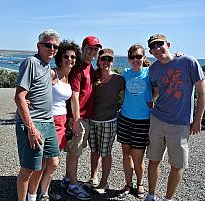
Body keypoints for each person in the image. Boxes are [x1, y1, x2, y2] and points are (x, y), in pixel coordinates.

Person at [144, 34, 205, 201]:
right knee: (153, 160)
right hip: (157, 119)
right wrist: (151, 101)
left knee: (177, 164)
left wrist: (198, 119)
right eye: (153, 47)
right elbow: (156, 91)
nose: (157, 49)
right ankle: (150, 195)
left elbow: (201, 92)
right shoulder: (153, 69)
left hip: (180, 123)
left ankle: (168, 198)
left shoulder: (188, 62)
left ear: (168, 44)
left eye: (159, 44)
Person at [14, 29, 61, 201]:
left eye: (55, 46)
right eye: (48, 45)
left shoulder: (47, 66)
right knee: (28, 168)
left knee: (52, 162)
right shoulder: (31, 62)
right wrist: (31, 128)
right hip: (34, 123)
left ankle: (33, 196)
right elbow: (19, 96)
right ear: (39, 46)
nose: (52, 49)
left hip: (48, 123)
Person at [39, 40, 82, 201]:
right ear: (60, 57)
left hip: (62, 121)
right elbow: (35, 90)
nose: (69, 59)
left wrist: (74, 121)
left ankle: (42, 192)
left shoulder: (69, 77)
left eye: (73, 57)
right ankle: (39, 192)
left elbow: (72, 100)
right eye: (66, 56)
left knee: (50, 161)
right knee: (51, 161)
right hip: (50, 119)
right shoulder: (53, 74)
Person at [61, 36, 102, 201]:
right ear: (83, 48)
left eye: (95, 49)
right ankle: (73, 184)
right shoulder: (78, 69)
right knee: (74, 152)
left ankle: (66, 179)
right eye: (89, 48)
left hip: (85, 117)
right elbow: (74, 97)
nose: (92, 52)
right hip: (78, 118)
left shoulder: (89, 67)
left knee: (74, 151)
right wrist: (76, 121)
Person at [117, 44, 155, 199]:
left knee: (137, 156)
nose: (135, 60)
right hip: (125, 118)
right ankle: (128, 183)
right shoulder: (125, 73)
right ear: (128, 59)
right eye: (132, 57)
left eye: (138, 56)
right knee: (126, 154)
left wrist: (179, 56)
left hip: (142, 120)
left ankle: (140, 184)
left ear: (144, 57)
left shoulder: (150, 72)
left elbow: (167, 66)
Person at [88, 48, 125, 194]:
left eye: (109, 59)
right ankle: (93, 177)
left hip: (109, 121)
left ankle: (104, 182)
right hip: (92, 120)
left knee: (106, 153)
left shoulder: (118, 79)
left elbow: (128, 95)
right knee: (94, 150)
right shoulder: (93, 75)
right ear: (98, 60)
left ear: (113, 61)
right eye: (103, 59)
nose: (106, 62)